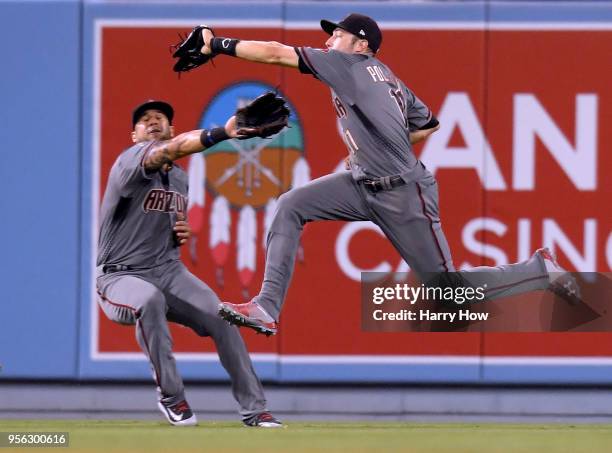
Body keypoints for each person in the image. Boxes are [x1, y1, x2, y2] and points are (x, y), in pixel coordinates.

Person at [199, 13, 580, 335]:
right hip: (361, 183)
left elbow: (273, 53)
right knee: (290, 205)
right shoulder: (389, 78)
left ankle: (538, 268)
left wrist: (215, 44)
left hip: (403, 193)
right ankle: (266, 306)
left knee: (448, 299)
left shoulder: (347, 64)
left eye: (338, 34)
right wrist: (373, 149)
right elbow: (428, 125)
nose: (330, 40)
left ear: (361, 45)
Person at [96, 99, 283, 427]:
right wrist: (223, 133)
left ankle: (255, 410)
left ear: (172, 128)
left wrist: (176, 231)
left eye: (161, 118)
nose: (153, 121)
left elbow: (165, 220)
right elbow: (168, 151)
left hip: (167, 270)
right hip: (120, 276)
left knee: (224, 317)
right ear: (134, 136)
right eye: (144, 120)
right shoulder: (131, 160)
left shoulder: (180, 179)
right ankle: (172, 398)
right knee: (148, 300)